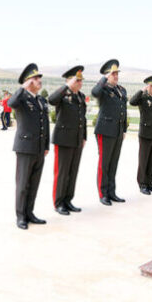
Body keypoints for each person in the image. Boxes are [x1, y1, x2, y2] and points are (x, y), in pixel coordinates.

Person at [9, 63, 50, 230]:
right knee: (23, 183)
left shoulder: (40, 100)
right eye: (35, 78)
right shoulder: (22, 98)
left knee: (34, 183)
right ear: (28, 82)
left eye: (40, 78)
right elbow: (11, 103)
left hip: (39, 148)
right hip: (25, 147)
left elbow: (45, 124)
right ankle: (20, 216)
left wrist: (46, 145)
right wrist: (22, 88)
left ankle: (30, 213)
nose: (39, 81)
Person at [48, 66, 87, 215]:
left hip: (77, 139)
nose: (80, 83)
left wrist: (84, 137)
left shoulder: (80, 96)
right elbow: (51, 100)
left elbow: (82, 118)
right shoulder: (63, 94)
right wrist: (66, 86)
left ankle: (68, 200)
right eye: (77, 80)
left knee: (73, 171)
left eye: (80, 80)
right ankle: (58, 203)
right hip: (63, 139)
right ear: (70, 81)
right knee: (62, 172)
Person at [92, 59, 128, 206]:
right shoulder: (103, 88)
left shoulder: (121, 90)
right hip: (105, 131)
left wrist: (124, 128)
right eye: (113, 74)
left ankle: (112, 192)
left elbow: (123, 111)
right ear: (107, 75)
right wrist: (104, 79)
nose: (116, 76)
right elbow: (94, 92)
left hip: (118, 131)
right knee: (104, 163)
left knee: (113, 163)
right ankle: (103, 194)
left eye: (117, 73)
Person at [129, 75, 152, 195]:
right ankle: (142, 184)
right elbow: (132, 102)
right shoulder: (143, 98)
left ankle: (149, 183)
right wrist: (142, 90)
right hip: (145, 134)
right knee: (144, 160)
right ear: (148, 86)